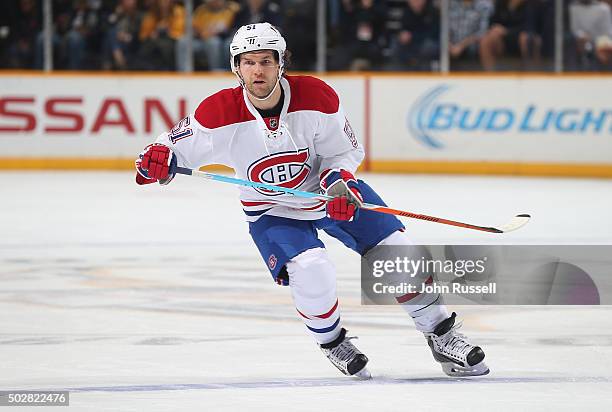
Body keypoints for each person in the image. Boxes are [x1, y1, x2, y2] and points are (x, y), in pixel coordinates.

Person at [135, 22, 489, 378]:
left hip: (332, 193)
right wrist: (155, 162)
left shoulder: (317, 96)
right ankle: (334, 342)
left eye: (266, 61)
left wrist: (338, 183)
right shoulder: (217, 113)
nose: (258, 70)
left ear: (281, 63)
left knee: (398, 250)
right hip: (272, 209)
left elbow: (345, 151)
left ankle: (441, 335)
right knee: (313, 270)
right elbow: (167, 151)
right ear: (236, 66)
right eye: (248, 62)